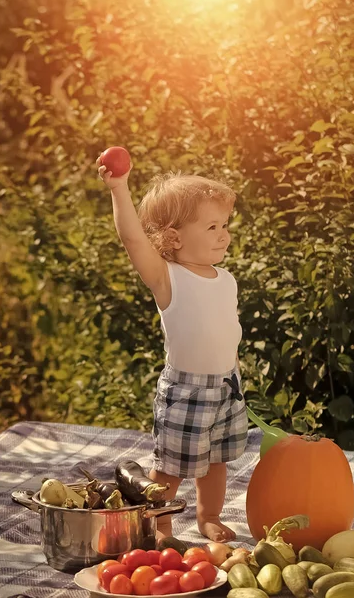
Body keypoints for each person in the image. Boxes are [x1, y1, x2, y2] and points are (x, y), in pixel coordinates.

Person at [97, 156, 247, 542]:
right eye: (212, 226)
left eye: (225, 225)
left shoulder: (226, 279)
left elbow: (226, 332)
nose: (223, 234)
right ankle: (160, 525)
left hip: (226, 388)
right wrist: (119, 188)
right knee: (171, 466)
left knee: (215, 462)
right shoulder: (168, 278)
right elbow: (132, 238)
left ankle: (208, 516)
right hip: (187, 391)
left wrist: (235, 375)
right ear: (174, 236)